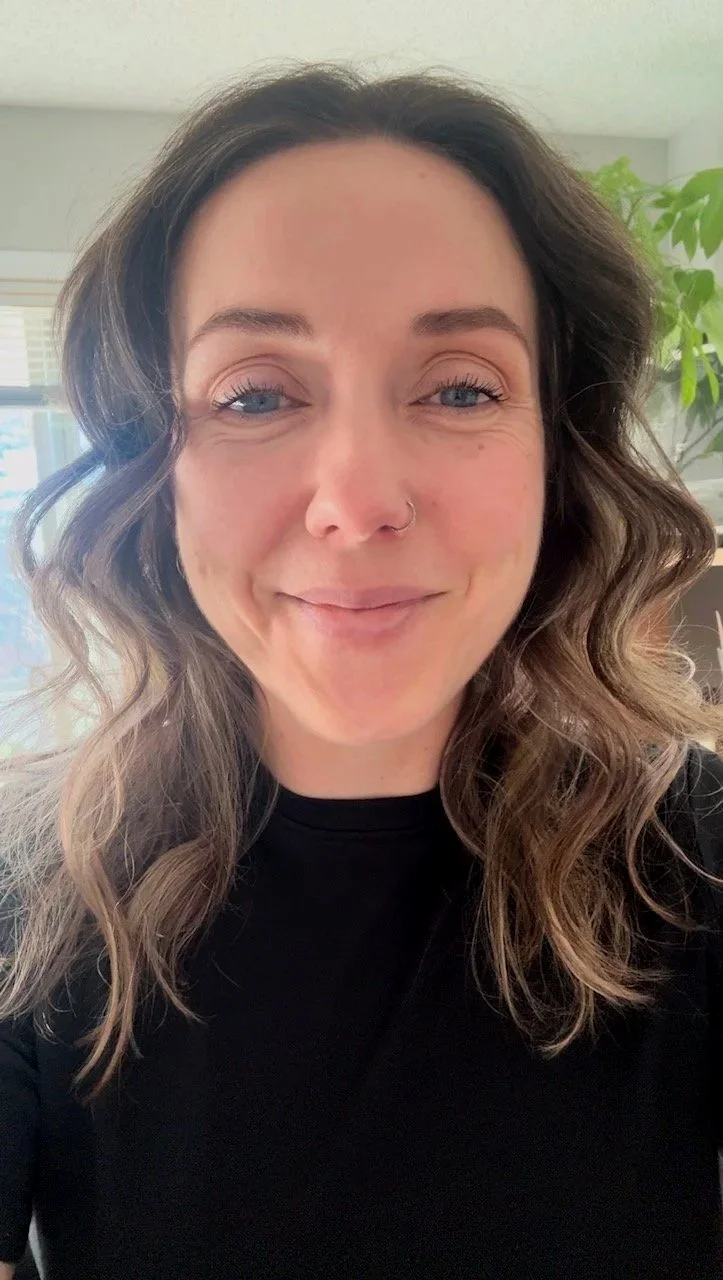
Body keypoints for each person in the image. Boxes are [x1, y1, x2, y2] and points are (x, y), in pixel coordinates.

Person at [0, 60, 722, 1280]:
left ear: (563, 446)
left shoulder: (697, 849)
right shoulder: (27, 892)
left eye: (458, 387)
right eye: (255, 394)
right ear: (151, 466)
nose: (358, 500)